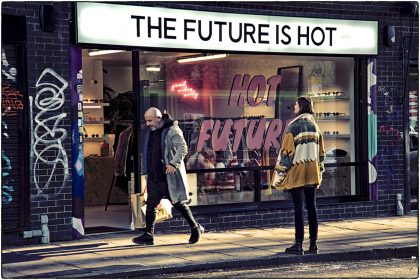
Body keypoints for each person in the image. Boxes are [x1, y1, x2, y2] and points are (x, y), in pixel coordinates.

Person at [132, 107, 204, 245]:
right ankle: (148, 235)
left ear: (159, 118)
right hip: (154, 176)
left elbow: (183, 148)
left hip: (167, 176)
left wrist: (173, 163)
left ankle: (195, 228)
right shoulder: (150, 132)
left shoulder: (172, 130)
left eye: (150, 120)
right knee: (151, 205)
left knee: (178, 204)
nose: (147, 124)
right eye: (146, 121)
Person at [273, 97, 325, 255]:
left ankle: (298, 244)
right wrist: (319, 171)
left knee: (298, 209)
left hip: (297, 174)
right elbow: (321, 153)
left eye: (295, 105)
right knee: (312, 208)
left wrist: (279, 173)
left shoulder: (294, 127)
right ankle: (313, 244)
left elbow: (287, 155)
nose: (294, 107)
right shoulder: (315, 126)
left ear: (301, 107)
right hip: (312, 173)